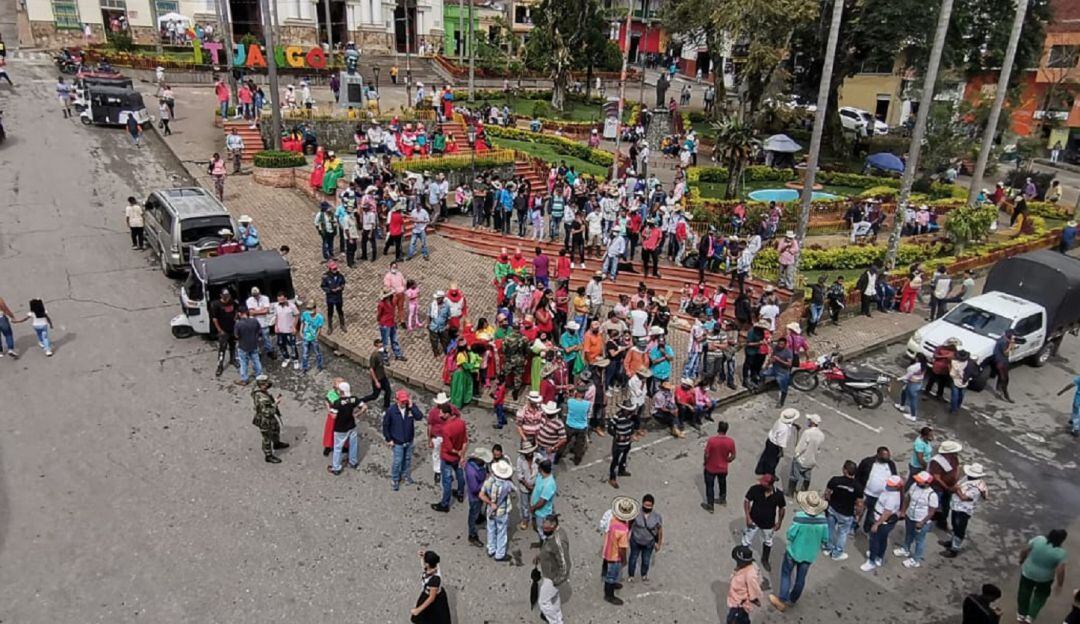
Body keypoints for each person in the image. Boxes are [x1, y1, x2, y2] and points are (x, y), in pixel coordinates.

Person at [769, 490, 829, 613]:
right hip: (809, 555)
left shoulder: (799, 517)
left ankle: (782, 600)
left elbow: (790, 535)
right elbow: (825, 539)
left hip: (793, 552)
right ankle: (793, 600)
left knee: (786, 574)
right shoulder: (823, 521)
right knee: (800, 578)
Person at [1017, 529, 1068, 622]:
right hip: (1045, 578)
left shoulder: (1038, 539)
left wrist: (1021, 559)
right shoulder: (1061, 553)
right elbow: (1060, 571)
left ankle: (1021, 614)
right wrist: (1059, 584)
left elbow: (1025, 550)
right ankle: (1031, 616)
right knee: (1040, 596)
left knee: (1024, 592)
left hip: (1028, 572)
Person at [941, 462, 988, 558]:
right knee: (954, 525)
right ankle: (952, 542)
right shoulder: (967, 478)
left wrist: (956, 489)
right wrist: (956, 488)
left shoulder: (977, 487)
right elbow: (957, 485)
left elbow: (964, 497)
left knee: (959, 529)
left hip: (964, 510)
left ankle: (954, 549)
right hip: (956, 506)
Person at [382, 389, 425, 490]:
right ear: (397, 400)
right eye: (402, 401)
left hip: (409, 440)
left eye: (405, 401)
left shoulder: (410, 408)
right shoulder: (391, 411)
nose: (404, 403)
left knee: (407, 459)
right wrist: (389, 439)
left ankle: (406, 475)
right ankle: (395, 478)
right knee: (397, 461)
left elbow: (419, 417)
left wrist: (412, 406)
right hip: (397, 442)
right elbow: (385, 426)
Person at [742, 474, 786, 572]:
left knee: (768, 542)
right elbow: (747, 501)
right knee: (746, 540)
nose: (761, 484)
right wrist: (748, 517)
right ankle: (744, 559)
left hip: (769, 524)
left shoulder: (778, 494)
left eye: (764, 483)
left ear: (770, 485)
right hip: (754, 520)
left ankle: (765, 559)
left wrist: (779, 522)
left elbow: (782, 508)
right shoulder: (755, 489)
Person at [894, 471, 938, 568]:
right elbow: (907, 498)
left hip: (921, 520)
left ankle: (916, 559)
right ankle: (905, 549)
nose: (917, 482)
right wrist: (903, 511)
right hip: (910, 516)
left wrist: (922, 522)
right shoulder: (914, 486)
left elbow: (931, 512)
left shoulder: (932, 495)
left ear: (927, 483)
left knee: (919, 540)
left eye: (920, 481)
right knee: (908, 534)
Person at [860, 475, 903, 571]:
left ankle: (871, 561)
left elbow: (886, 513)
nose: (888, 484)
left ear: (896, 486)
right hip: (880, 518)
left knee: (874, 540)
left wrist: (877, 524)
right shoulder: (889, 490)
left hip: (883, 522)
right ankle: (879, 557)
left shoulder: (893, 498)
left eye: (891, 484)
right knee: (882, 539)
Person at [823, 460, 863, 561]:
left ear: (845, 470)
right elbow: (859, 504)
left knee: (830, 529)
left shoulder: (835, 480)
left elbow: (827, 493)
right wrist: (858, 515)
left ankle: (828, 547)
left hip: (833, 509)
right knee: (842, 533)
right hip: (846, 514)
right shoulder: (858, 487)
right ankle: (837, 553)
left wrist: (828, 502)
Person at [535, 513, 572, 624]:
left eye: (545, 526)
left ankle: (555, 622)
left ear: (554, 525)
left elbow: (565, 563)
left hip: (553, 576)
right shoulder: (553, 533)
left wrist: (557, 580)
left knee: (544, 603)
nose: (543, 528)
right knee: (554, 598)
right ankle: (558, 618)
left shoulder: (558, 541)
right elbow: (548, 548)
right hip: (550, 573)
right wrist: (540, 556)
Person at [432, 404, 468, 512]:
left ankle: (445, 504)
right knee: (460, 475)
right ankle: (460, 493)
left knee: (447, 481)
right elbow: (465, 440)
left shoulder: (446, 429)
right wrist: (461, 454)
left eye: (442, 413)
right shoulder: (461, 423)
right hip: (458, 457)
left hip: (448, 458)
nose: (440, 414)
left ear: (447, 414)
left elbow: (449, 448)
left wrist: (457, 452)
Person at [602, 496, 638, 606]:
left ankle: (611, 586)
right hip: (615, 555)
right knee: (612, 575)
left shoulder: (613, 519)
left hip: (608, 549)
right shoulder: (623, 530)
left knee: (610, 572)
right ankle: (609, 595)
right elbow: (622, 548)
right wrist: (624, 560)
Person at [855, 446, 898, 533]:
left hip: (880, 496)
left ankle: (866, 529)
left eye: (888, 456)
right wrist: (858, 491)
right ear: (878, 455)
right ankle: (854, 526)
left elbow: (894, 478)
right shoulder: (867, 462)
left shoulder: (891, 464)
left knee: (871, 514)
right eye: (885, 456)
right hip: (866, 493)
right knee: (859, 511)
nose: (887, 458)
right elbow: (858, 476)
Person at [479, 458, 515, 561]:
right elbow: (514, 490)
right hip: (502, 511)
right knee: (502, 532)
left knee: (490, 529)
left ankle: (491, 549)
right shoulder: (507, 485)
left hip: (491, 510)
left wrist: (490, 503)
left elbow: (481, 495)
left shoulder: (488, 481)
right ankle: (499, 554)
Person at [327, 382, 363, 475]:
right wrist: (357, 414)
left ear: (341, 391)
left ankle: (336, 468)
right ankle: (353, 462)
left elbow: (334, 416)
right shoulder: (354, 399)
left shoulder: (337, 403)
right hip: (351, 425)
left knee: (338, 447)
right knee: (353, 444)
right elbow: (364, 407)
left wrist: (329, 408)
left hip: (340, 428)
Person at [250, 375, 288, 464]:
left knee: (276, 429)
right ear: (261, 385)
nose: (267, 385)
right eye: (265, 384)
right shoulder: (261, 398)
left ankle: (276, 443)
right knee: (266, 438)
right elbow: (267, 412)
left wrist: (272, 401)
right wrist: (275, 403)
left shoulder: (259, 389)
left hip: (270, 418)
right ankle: (268, 455)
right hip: (265, 420)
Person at [627, 494, 663, 582]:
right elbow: (629, 524)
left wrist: (659, 543)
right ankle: (631, 575)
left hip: (649, 543)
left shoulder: (657, 517)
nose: (647, 507)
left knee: (646, 560)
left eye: (649, 506)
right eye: (646, 505)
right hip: (635, 540)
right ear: (642, 504)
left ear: (653, 505)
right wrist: (627, 535)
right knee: (633, 559)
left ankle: (644, 575)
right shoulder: (635, 513)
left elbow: (660, 530)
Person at [754, 408, 799, 477]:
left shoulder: (780, 420)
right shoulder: (785, 430)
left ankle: (759, 470)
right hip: (775, 445)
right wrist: (781, 452)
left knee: (765, 456)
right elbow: (780, 442)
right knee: (773, 462)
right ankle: (770, 475)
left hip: (770, 440)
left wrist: (794, 425)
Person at [702, 420, 737, 512]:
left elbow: (706, 454)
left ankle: (710, 505)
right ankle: (722, 499)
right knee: (722, 483)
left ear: (718, 429)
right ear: (726, 430)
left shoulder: (712, 441)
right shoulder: (730, 441)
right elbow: (733, 456)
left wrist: (705, 462)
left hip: (711, 467)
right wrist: (726, 461)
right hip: (723, 468)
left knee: (710, 486)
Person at [411, 550, 452, 624]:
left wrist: (418, 610)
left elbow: (431, 598)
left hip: (435, 600)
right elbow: (425, 567)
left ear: (427, 564)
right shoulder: (434, 565)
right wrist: (423, 556)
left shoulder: (435, 579)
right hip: (427, 593)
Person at [727, 545, 763, 624]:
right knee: (743, 619)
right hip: (737, 600)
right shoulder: (744, 567)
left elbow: (754, 588)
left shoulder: (750, 574)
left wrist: (754, 599)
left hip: (740, 603)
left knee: (732, 620)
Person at [464, 447, 492, 548]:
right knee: (473, 514)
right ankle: (472, 535)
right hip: (475, 497)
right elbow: (474, 488)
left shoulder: (478, 465)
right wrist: (486, 480)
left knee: (478, 510)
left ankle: (479, 517)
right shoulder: (471, 471)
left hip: (480, 494)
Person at [788, 414, 823, 493]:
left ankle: (790, 492)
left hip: (802, 459)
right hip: (811, 461)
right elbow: (818, 449)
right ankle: (804, 491)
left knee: (794, 476)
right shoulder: (821, 435)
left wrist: (796, 454)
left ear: (812, 422)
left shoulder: (807, 433)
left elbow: (801, 447)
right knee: (807, 476)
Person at [608, 402, 636, 489]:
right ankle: (612, 478)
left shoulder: (632, 416)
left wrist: (631, 435)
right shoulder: (618, 416)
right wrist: (615, 435)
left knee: (624, 457)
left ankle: (621, 470)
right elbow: (610, 427)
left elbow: (632, 426)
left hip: (627, 441)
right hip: (618, 442)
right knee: (615, 460)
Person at [233, 309, 263, 385]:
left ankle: (244, 379)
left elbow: (236, 336)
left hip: (243, 346)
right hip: (254, 344)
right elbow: (259, 332)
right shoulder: (254, 321)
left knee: (243, 362)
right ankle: (259, 377)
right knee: (256, 360)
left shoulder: (238, 324)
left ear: (239, 313)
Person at [210, 290, 237, 375]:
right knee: (222, 349)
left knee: (233, 346)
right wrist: (219, 330)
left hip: (232, 329)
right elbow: (214, 319)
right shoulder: (216, 305)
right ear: (221, 295)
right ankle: (220, 366)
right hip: (223, 331)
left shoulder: (233, 302)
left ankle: (233, 360)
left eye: (228, 295)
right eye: (225, 295)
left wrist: (236, 318)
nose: (227, 297)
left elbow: (236, 311)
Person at [895, 353, 927, 422]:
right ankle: (902, 405)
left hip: (913, 384)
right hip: (917, 383)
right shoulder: (923, 366)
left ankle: (913, 416)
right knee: (904, 392)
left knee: (912, 400)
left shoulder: (914, 367)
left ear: (917, 358)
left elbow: (907, 376)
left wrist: (899, 379)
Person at [530, 460, 557, 540]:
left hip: (542, 513)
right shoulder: (541, 476)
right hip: (537, 511)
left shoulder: (549, 484)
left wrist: (533, 508)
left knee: (542, 531)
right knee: (538, 528)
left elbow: (542, 502)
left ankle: (545, 544)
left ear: (541, 469)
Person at [299, 302, 325, 373]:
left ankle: (320, 366)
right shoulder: (305, 314)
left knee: (317, 353)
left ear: (315, 308)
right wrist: (301, 331)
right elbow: (302, 322)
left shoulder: (320, 318)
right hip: (305, 337)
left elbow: (319, 328)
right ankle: (304, 368)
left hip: (314, 338)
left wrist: (316, 337)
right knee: (305, 354)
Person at [993, 329, 1016, 402]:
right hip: (1001, 363)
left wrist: (1012, 344)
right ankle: (1006, 395)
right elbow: (1006, 353)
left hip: (1004, 361)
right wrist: (1010, 345)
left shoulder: (1006, 340)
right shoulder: (1003, 342)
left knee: (1001, 377)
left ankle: (998, 390)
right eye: (1013, 335)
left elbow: (1012, 351)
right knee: (1005, 379)